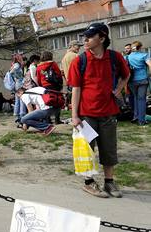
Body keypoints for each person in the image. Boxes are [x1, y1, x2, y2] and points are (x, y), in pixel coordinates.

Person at [68, 22, 130, 198]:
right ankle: (89, 182)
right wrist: (74, 116)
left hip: (108, 112)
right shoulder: (80, 60)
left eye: (90, 36)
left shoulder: (115, 57)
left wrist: (119, 88)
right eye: (85, 36)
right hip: (86, 115)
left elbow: (126, 74)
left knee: (109, 149)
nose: (85, 39)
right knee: (87, 150)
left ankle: (109, 182)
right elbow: (76, 88)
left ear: (102, 38)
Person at [126, 41, 151, 126]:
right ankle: (141, 120)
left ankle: (135, 117)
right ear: (140, 48)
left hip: (132, 81)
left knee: (136, 98)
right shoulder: (144, 55)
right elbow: (149, 64)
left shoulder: (128, 57)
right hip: (143, 79)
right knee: (142, 99)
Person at [36, 51, 63, 124]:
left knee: (47, 102)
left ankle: (48, 120)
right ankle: (57, 119)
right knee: (57, 101)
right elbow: (58, 74)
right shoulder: (53, 64)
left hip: (45, 86)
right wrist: (60, 84)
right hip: (54, 85)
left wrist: (40, 86)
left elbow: (38, 78)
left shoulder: (38, 67)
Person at [9, 54, 27, 126]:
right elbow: (11, 72)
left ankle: (17, 116)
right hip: (19, 84)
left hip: (17, 84)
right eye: (21, 58)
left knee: (17, 101)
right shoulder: (17, 65)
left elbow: (11, 72)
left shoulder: (13, 64)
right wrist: (17, 77)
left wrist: (14, 77)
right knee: (22, 100)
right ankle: (22, 115)